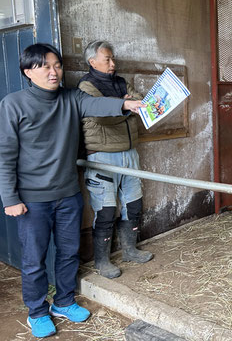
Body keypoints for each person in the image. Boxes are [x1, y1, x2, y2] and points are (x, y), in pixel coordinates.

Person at [0, 43, 145, 338]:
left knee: (68, 252)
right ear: (28, 72)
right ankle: (37, 311)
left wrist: (127, 104)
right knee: (34, 258)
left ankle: (63, 302)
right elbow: (5, 154)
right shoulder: (13, 104)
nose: (54, 72)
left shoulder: (72, 97)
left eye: (57, 65)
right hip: (32, 198)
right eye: (44, 66)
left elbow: (98, 105)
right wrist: (10, 198)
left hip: (68, 194)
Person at [78, 41, 153, 280]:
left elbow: (142, 103)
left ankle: (130, 250)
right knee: (106, 210)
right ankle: (102, 261)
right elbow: (102, 118)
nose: (113, 63)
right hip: (101, 155)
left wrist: (128, 105)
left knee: (134, 204)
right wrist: (125, 106)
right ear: (92, 62)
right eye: (107, 59)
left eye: (113, 59)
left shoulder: (120, 81)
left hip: (129, 152)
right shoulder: (86, 86)